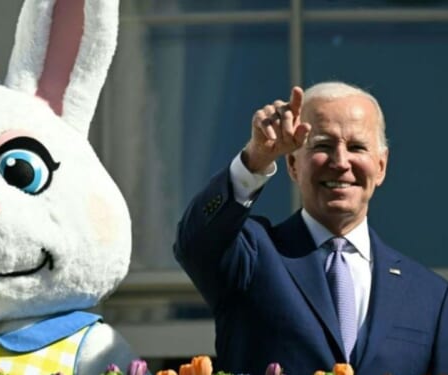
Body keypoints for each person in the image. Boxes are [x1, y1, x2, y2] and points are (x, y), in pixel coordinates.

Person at [173, 81, 448, 374]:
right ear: (292, 164)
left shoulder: (429, 296)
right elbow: (194, 242)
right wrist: (256, 157)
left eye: (356, 147)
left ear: (381, 166)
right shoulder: (253, 256)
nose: (341, 162)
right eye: (323, 146)